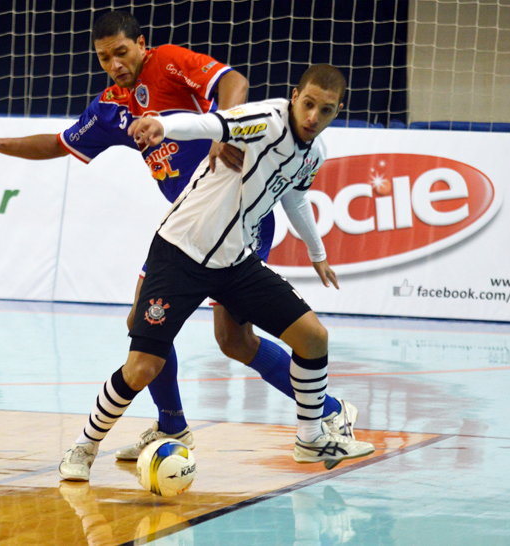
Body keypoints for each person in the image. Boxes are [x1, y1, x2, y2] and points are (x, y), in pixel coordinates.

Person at [0, 11, 354, 464]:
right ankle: (175, 426)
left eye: (122, 52)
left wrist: (219, 129)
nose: (114, 63)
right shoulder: (110, 107)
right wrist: (1, 145)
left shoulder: (167, 63)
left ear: (141, 44)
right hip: (184, 230)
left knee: (233, 340)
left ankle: (327, 413)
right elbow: (60, 142)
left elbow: (234, 82)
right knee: (151, 328)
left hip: (235, 225)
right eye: (104, 57)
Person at [59, 64, 375, 482]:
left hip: (234, 260)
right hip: (180, 252)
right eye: (309, 104)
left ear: (337, 112)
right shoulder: (265, 120)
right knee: (142, 367)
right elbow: (213, 121)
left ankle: (311, 436)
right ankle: (84, 446)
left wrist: (317, 253)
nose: (314, 116)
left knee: (313, 337)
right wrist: (160, 126)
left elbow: (296, 198)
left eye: (327, 110)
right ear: (295, 95)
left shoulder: (315, 152)